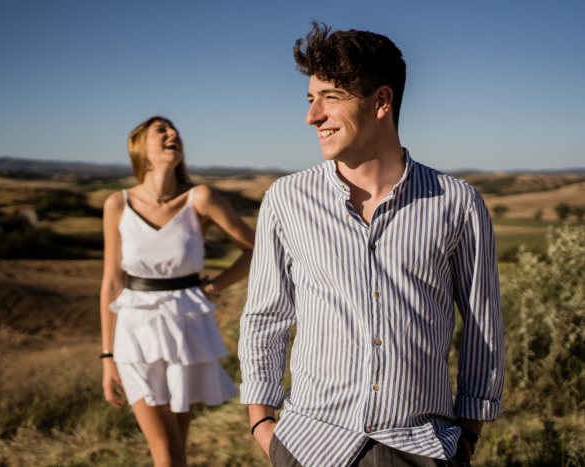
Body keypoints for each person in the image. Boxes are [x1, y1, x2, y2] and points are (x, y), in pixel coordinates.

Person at [239, 23, 504, 467]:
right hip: (309, 445)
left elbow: (483, 325)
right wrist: (263, 424)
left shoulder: (458, 203)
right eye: (310, 98)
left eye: (331, 97)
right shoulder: (286, 200)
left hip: (421, 447)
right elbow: (266, 316)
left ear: (382, 101)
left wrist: (468, 437)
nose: (312, 115)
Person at [101, 116, 255, 467]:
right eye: (162, 130)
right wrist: (107, 357)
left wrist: (215, 286)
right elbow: (111, 281)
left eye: (176, 132)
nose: (174, 134)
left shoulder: (199, 197)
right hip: (134, 334)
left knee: (177, 451)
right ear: (140, 147)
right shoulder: (117, 204)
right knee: (167, 454)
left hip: (187, 329)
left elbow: (255, 248)